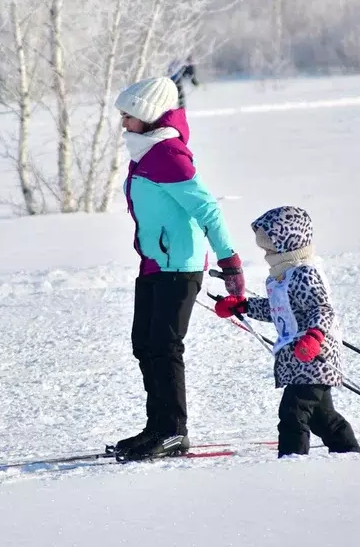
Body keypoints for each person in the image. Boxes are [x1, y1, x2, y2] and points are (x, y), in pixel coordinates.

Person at [112, 76, 244, 460]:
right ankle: (156, 427)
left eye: (128, 115)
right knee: (145, 345)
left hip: (178, 267)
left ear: (148, 116)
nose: (123, 123)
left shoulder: (168, 154)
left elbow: (207, 209)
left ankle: (173, 431)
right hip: (154, 264)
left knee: (165, 346)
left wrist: (230, 263)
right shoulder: (146, 151)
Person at [214, 206, 360, 457]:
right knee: (321, 418)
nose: (266, 253)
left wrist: (314, 336)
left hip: (316, 356)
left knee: (293, 411)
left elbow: (323, 309)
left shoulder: (305, 273)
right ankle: (349, 453)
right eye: (265, 248)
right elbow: (278, 310)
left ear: (287, 243)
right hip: (295, 356)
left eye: (270, 247)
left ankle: (292, 463)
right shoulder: (279, 277)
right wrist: (244, 306)